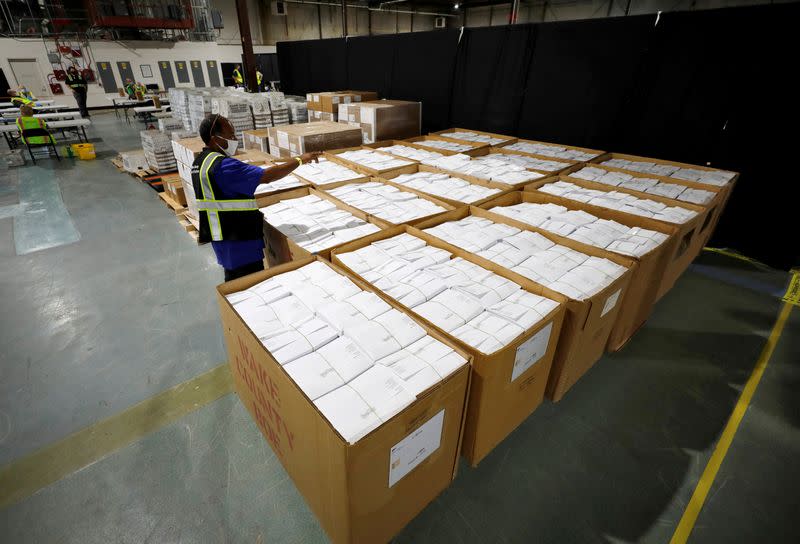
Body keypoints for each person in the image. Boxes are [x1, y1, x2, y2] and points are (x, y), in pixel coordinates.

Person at [194, 114, 321, 281]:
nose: (234, 139)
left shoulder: (201, 162)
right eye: (230, 136)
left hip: (221, 236)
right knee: (251, 283)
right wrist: (300, 160)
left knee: (235, 279)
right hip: (239, 239)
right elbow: (267, 176)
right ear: (214, 138)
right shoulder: (224, 166)